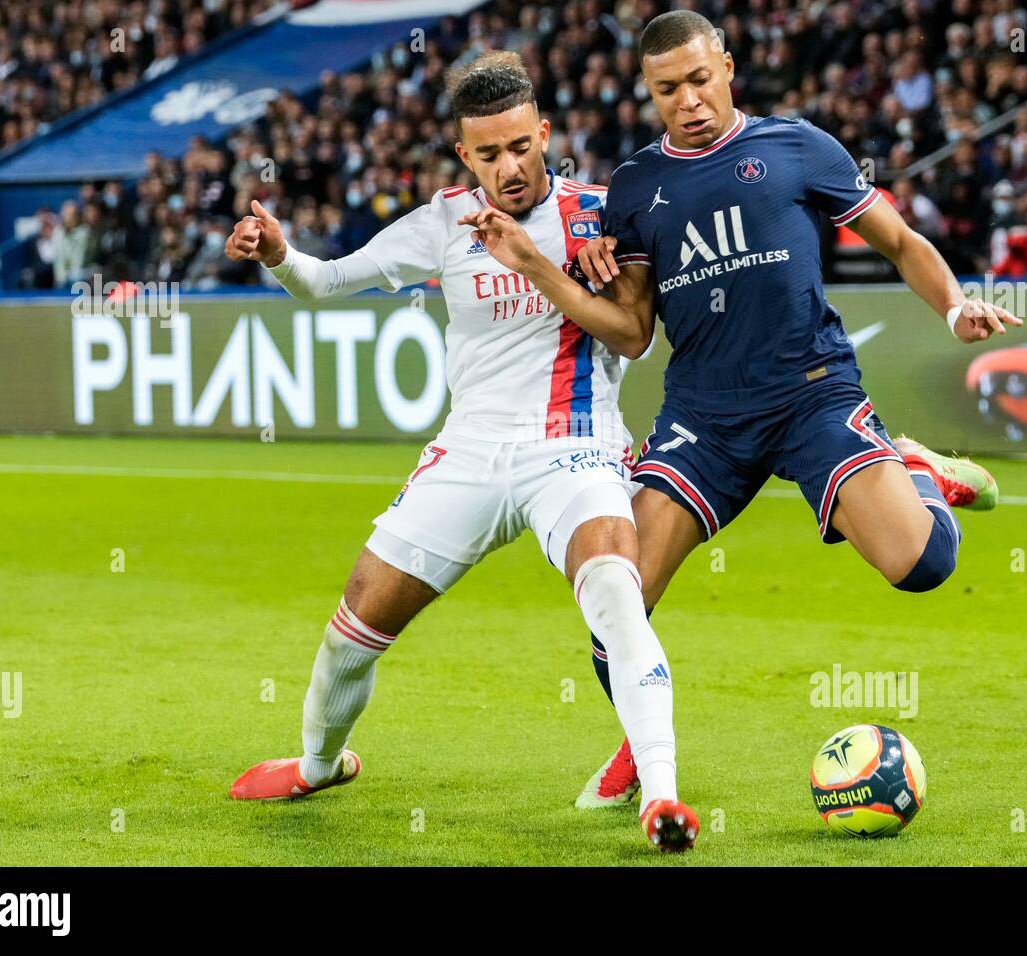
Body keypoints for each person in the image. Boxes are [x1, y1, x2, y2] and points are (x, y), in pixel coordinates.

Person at [458, 11, 1019, 810]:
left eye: (697, 79)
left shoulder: (798, 147)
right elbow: (634, 328)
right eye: (666, 90)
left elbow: (898, 241)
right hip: (705, 417)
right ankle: (638, 744)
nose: (687, 100)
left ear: (725, 66)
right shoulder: (635, 187)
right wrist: (573, 270)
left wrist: (957, 304)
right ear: (648, 95)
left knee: (924, 567)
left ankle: (920, 471)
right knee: (614, 596)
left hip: (811, 390)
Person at [224, 52, 697, 852]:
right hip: (470, 451)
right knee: (354, 625)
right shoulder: (443, 223)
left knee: (616, 589)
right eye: (488, 154)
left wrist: (547, 265)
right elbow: (329, 280)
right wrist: (277, 251)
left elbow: (636, 339)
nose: (509, 168)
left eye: (521, 146)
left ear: (544, 132)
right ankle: (318, 762)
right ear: (463, 155)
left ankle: (662, 796)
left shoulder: (600, 213)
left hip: (574, 445)